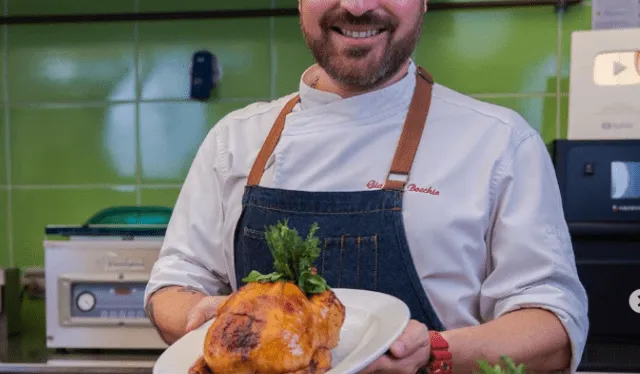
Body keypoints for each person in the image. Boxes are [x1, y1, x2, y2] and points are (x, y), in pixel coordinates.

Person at [144, 0, 589, 373]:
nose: (357, 6)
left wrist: (435, 352)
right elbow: (172, 287)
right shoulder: (235, 139)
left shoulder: (499, 142)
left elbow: (554, 327)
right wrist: (197, 316)